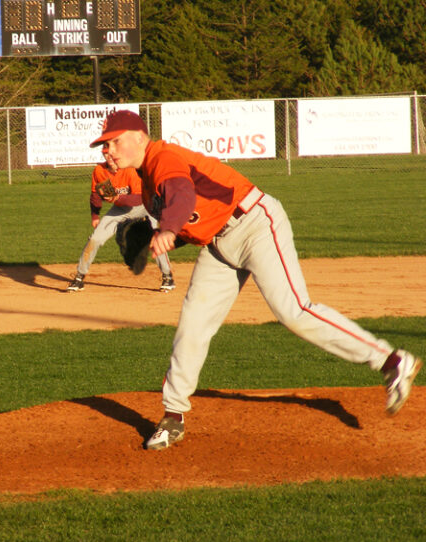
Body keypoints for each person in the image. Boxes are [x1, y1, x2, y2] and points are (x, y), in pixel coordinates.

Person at [89, 109, 422, 450]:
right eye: (104, 145)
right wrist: (164, 232)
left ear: (139, 137)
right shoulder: (147, 188)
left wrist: (169, 227)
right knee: (193, 324)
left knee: (294, 310)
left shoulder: (163, 157)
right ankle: (173, 416)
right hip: (219, 245)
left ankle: (392, 361)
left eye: (114, 142)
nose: (108, 151)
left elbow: (182, 193)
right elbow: (195, 218)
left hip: (254, 225)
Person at [67, 146, 175, 292]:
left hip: (145, 206)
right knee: (95, 239)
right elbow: (95, 195)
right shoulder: (100, 171)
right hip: (120, 210)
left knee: (155, 239)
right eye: (106, 155)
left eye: (113, 154)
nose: (110, 158)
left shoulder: (130, 169)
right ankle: (79, 278)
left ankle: (167, 276)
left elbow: (138, 198)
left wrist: (117, 197)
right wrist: (95, 215)